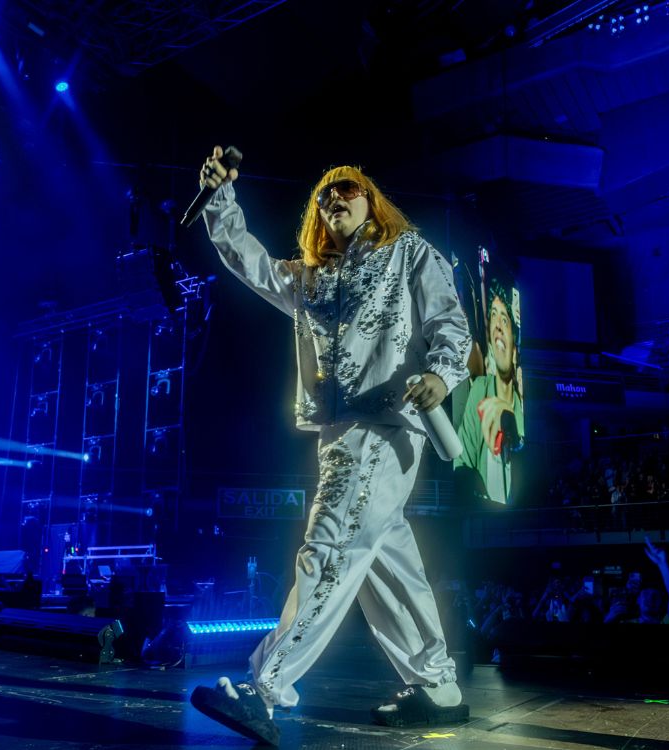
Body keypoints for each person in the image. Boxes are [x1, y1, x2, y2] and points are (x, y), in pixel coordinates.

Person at [187, 147, 472, 746]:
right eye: (322, 196)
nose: (331, 198)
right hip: (342, 435)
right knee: (387, 569)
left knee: (329, 548)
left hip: (384, 427)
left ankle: (267, 685)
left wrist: (443, 374)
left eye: (345, 189)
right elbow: (250, 261)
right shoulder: (312, 279)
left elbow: (450, 323)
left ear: (371, 200)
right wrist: (220, 198)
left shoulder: (408, 253)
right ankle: (438, 685)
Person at [454, 281, 524, 504]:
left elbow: (526, 453)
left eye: (505, 319)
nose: (498, 327)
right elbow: (462, 461)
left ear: (514, 345)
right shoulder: (481, 390)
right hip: (485, 510)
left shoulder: (522, 402)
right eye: (494, 316)